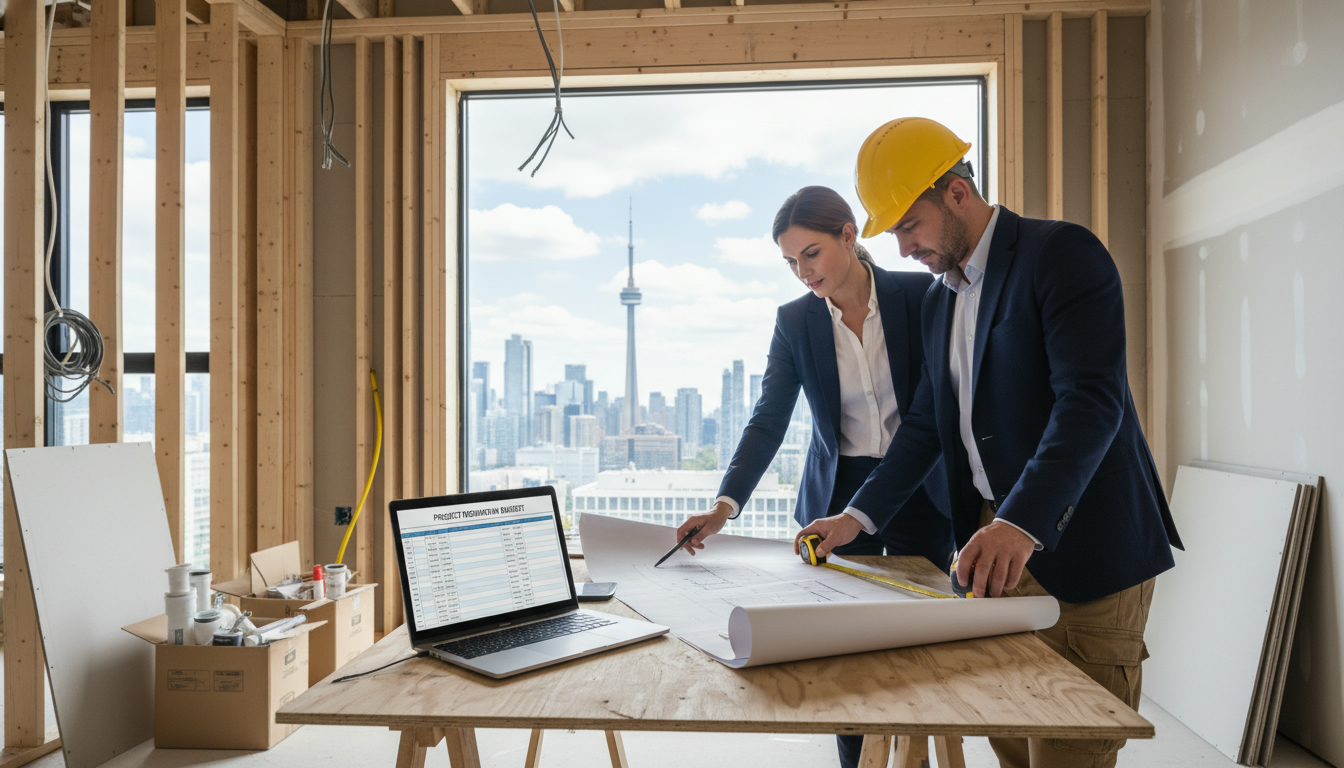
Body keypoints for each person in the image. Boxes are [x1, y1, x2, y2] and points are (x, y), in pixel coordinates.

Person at [795, 117, 1183, 768]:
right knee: (1010, 740)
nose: (902, 249)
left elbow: (1091, 401)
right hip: (992, 557)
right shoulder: (942, 302)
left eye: (910, 227)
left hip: (1081, 548)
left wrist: (1020, 520)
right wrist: (854, 517)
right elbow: (925, 425)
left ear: (956, 193)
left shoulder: (1060, 255)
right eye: (892, 234)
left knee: (1068, 749)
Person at [675, 185, 954, 768]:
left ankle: (915, 757)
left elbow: (933, 411)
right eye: (789, 262)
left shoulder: (920, 295)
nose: (802, 272)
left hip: (920, 488)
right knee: (845, 656)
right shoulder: (795, 321)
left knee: (920, 647)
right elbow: (769, 417)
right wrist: (724, 506)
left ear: (849, 236)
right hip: (836, 495)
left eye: (810, 253)